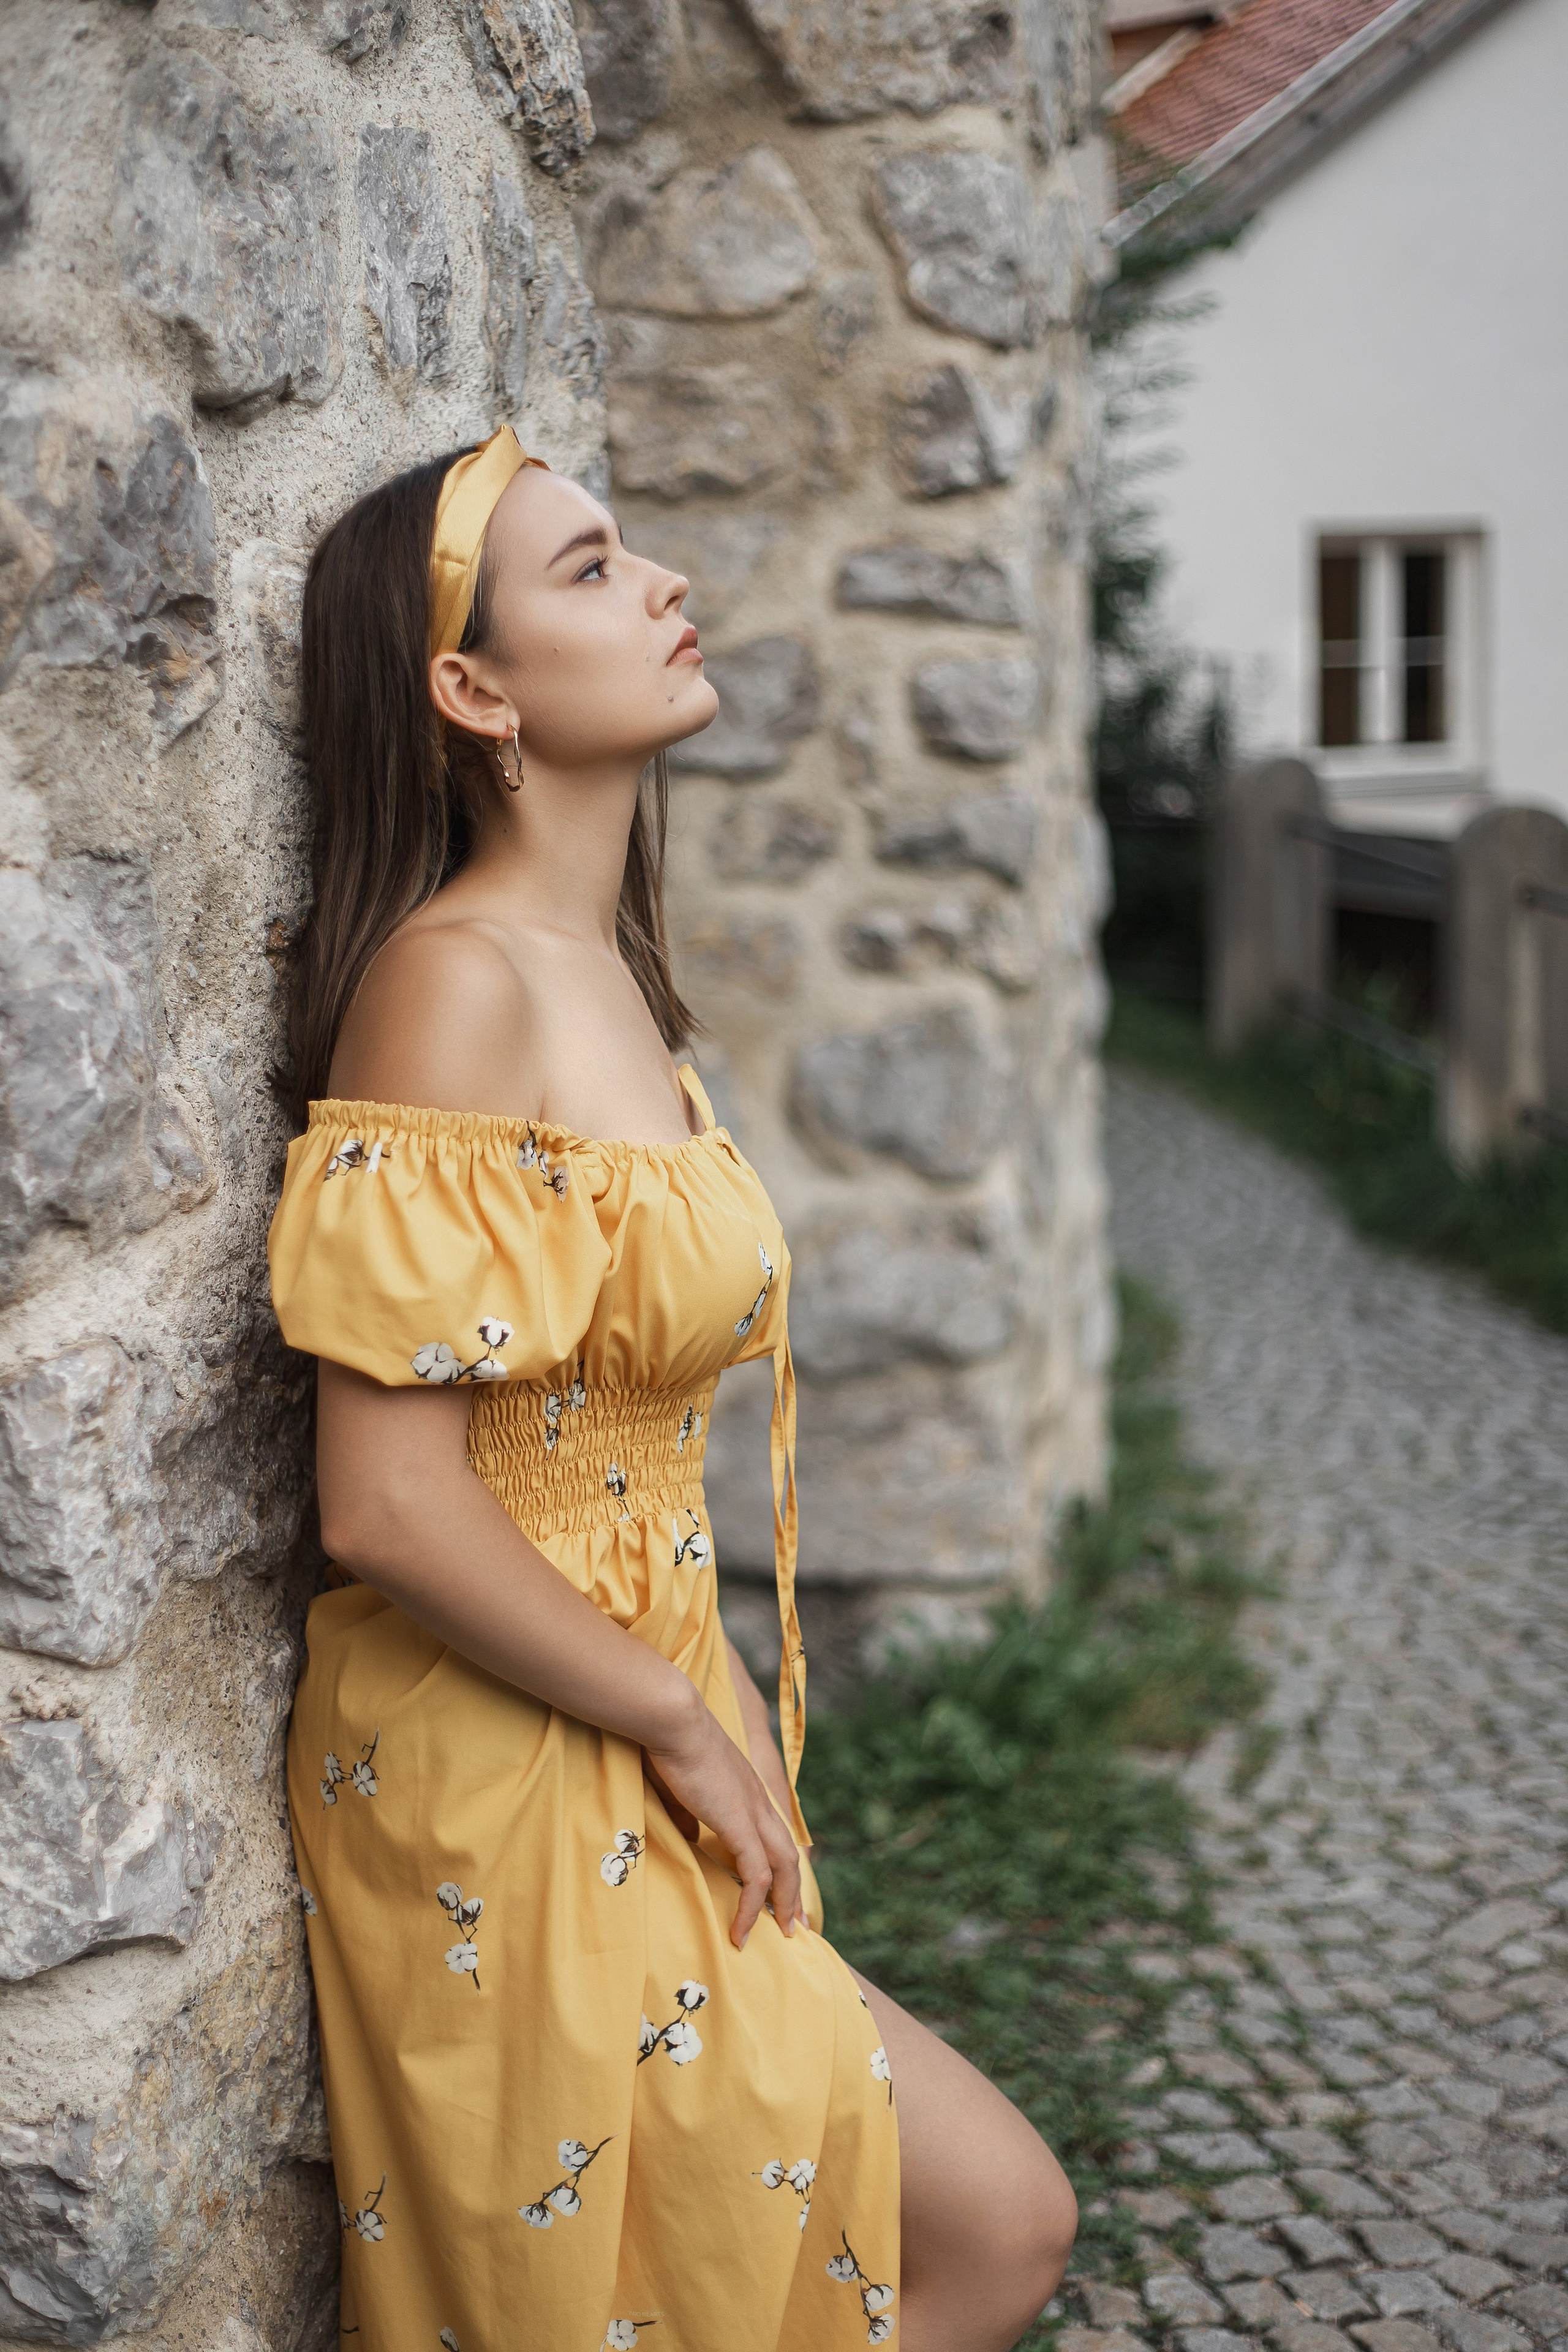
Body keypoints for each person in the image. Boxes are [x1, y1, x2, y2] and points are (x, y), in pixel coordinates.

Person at [269, 426, 1077, 2352]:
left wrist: (716, 1702)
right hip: (505, 1754)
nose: (662, 586)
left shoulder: (609, 976)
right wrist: (685, 1721)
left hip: (637, 1697)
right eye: (590, 570)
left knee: (802, 2260)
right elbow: (385, 1498)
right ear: (473, 690)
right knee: (965, 2229)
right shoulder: (450, 982)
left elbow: (622, 1448)